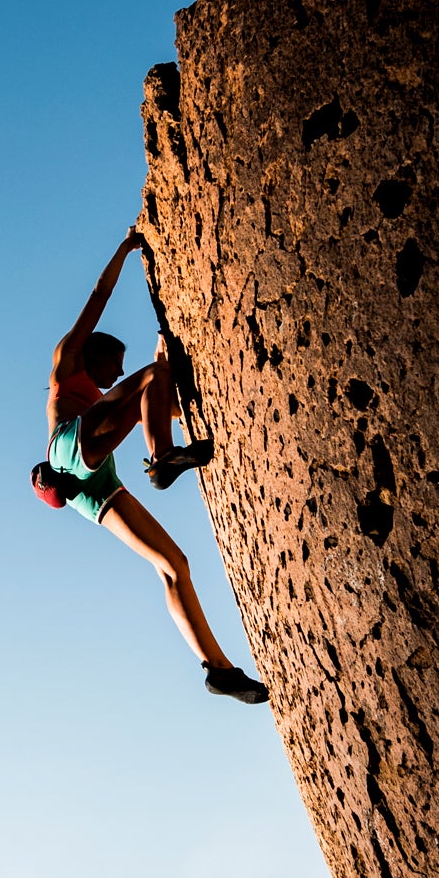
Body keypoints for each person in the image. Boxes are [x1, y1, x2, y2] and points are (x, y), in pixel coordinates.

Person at [33, 228, 269, 705]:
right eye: (114, 364)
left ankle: (217, 669)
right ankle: (161, 458)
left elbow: (156, 402)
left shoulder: (99, 399)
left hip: (92, 487)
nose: (117, 374)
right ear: (93, 353)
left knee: (174, 565)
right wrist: (123, 249)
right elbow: (100, 296)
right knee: (155, 375)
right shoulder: (68, 361)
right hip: (67, 449)